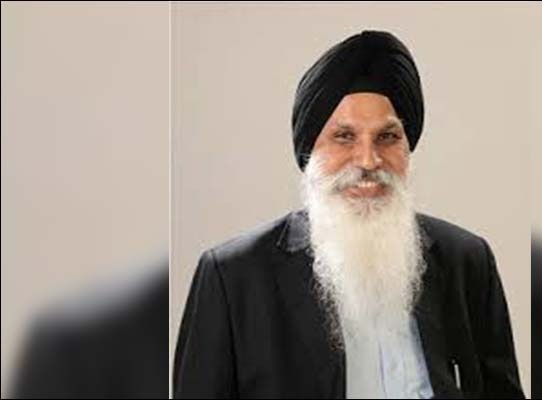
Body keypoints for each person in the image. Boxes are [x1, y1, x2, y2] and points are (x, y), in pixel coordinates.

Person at [174, 30, 524, 399]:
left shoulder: (465, 260)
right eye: (344, 137)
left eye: (387, 137)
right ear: (310, 151)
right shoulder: (234, 276)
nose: (369, 160)